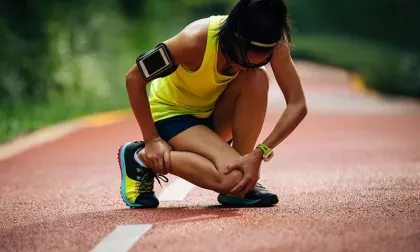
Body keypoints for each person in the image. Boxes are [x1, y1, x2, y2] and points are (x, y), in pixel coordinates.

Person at [118, 0, 307, 208]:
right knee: (234, 179)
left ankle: (240, 174)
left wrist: (258, 154)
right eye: (240, 59)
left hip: (212, 114)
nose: (241, 67)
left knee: (257, 77)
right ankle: (140, 157)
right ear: (233, 37)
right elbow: (133, 78)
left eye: (260, 60)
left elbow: (297, 104)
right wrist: (152, 139)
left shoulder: (271, 40)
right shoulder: (192, 41)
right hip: (172, 116)